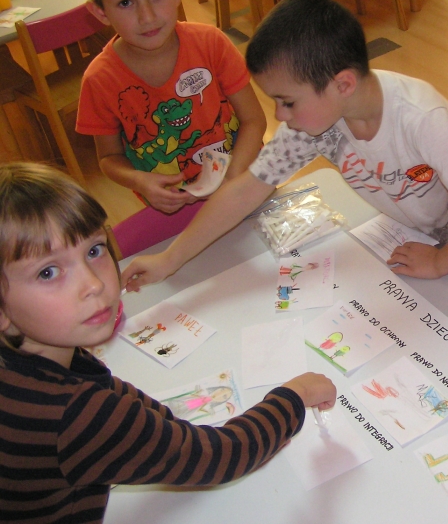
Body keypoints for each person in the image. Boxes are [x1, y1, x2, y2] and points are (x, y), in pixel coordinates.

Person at [0, 162, 335, 523]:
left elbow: (110, 392)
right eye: (48, 272)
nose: (93, 284)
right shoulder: (75, 415)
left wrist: (159, 428)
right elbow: (218, 457)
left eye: (94, 251)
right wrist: (294, 397)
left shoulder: (36, 356)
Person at [122, 0, 448, 285]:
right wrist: (169, 260)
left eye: (287, 102)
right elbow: (244, 191)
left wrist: (441, 262)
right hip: (412, 235)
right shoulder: (318, 121)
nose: (280, 116)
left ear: (343, 84)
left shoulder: (421, 118)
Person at [76, 0, 267, 214]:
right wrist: (139, 180)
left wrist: (232, 176)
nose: (147, 16)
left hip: (241, 179)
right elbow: (109, 158)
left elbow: (254, 120)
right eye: (125, 2)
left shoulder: (211, 43)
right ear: (101, 11)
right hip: (171, 206)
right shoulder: (99, 80)